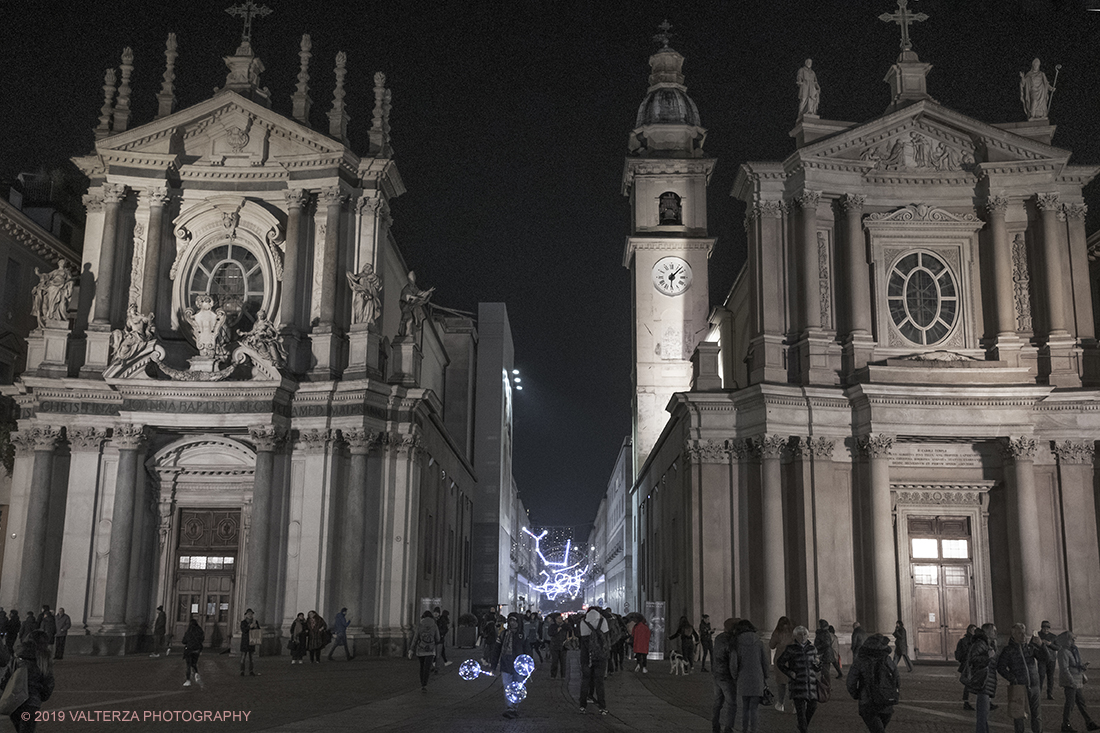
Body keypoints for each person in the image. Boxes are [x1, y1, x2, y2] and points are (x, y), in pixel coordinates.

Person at [1, 629, 54, 732]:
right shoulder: (43, 658)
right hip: (31, 702)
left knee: (19, 728)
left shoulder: (17, 656)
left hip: (14, 701)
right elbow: (48, 682)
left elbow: (5, 679)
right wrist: (41, 696)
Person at [847, 633, 900, 733]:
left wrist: (856, 694)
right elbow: (897, 679)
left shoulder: (860, 660)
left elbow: (851, 681)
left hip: (867, 702)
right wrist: (894, 692)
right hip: (886, 701)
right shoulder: (887, 659)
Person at [996, 622, 1043, 733]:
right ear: (1014, 635)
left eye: (1024, 633)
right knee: (1019, 715)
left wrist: (1041, 645)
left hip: (1034, 685)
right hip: (1019, 686)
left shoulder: (1030, 648)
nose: (1023, 636)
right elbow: (1001, 667)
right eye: (1020, 633)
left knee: (1037, 715)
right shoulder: (1008, 650)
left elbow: (1045, 658)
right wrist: (1013, 678)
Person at [777, 625, 821, 733]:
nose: (803, 636)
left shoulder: (812, 648)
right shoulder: (791, 649)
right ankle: (803, 730)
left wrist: (818, 664)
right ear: (795, 636)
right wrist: (789, 672)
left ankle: (803, 726)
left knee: (813, 706)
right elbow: (780, 662)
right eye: (800, 634)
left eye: (805, 634)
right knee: (800, 711)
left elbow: (816, 667)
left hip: (811, 683)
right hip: (797, 683)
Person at [490, 612, 532, 719]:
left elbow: (528, 651)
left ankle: (514, 707)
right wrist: (493, 666)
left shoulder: (522, 635)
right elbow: (496, 650)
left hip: (519, 667)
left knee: (518, 686)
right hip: (506, 664)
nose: (512, 623)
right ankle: (510, 708)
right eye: (510, 621)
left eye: (514, 621)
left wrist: (529, 665)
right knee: (507, 687)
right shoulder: (503, 634)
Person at [1056, 629, 1100, 732]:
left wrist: (1083, 667)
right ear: (1066, 640)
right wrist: (1072, 681)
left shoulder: (1073, 650)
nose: (1074, 641)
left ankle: (1089, 722)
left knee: (1081, 702)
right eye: (1072, 639)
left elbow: (1075, 665)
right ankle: (1065, 725)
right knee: (1070, 704)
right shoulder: (1063, 652)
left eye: (1074, 639)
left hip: (1077, 680)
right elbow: (1064, 669)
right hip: (1070, 682)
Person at [732, 619, 770, 733]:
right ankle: (753, 730)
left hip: (743, 677)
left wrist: (734, 676)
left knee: (745, 707)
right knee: (754, 708)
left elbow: (734, 663)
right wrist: (766, 676)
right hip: (757, 677)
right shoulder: (759, 642)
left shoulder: (736, 642)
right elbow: (765, 661)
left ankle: (744, 729)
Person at [967, 623, 999, 733]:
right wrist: (987, 657)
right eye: (993, 630)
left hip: (988, 682)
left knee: (984, 715)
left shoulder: (990, 644)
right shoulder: (981, 644)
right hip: (983, 682)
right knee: (982, 715)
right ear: (987, 632)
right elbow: (972, 659)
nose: (995, 632)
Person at [578, 605, 610, 714]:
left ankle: (582, 706)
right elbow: (606, 637)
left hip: (586, 655)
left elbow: (581, 637)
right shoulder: (603, 621)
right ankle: (602, 707)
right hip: (600, 656)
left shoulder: (583, 622)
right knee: (599, 682)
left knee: (585, 680)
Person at [712, 617, 739, 733]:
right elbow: (733, 661)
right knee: (732, 703)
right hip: (726, 676)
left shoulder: (719, 638)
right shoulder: (732, 641)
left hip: (716, 673)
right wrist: (735, 676)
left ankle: (715, 724)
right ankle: (728, 727)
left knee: (718, 702)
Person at [397, 270, 434, 338]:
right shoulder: (406, 288)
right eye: (411, 279)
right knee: (409, 319)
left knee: (413, 321)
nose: (412, 281)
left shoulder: (414, 288)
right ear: (409, 279)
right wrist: (415, 298)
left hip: (412, 308)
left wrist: (428, 293)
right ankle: (407, 333)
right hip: (406, 307)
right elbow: (407, 297)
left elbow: (420, 294)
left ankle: (409, 333)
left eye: (413, 279)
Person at [771, 616, 796, 712]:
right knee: (793, 682)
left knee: (781, 683)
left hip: (780, 659)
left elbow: (771, 645)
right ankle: (795, 704)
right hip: (792, 658)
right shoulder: (792, 634)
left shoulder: (777, 633)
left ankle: (781, 703)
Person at [414, 610, 440, 692]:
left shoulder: (420, 625)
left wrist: (411, 649)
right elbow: (438, 638)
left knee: (422, 666)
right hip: (430, 649)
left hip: (420, 649)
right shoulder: (434, 625)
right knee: (427, 667)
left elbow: (415, 638)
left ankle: (422, 683)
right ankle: (425, 684)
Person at [957, 624, 977, 710]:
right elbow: (959, 654)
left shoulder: (976, 641)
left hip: (974, 664)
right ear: (969, 630)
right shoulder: (964, 641)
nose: (974, 632)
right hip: (968, 665)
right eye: (973, 630)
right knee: (968, 684)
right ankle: (966, 701)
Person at [1039, 621, 1059, 701]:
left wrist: (1050, 644)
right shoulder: (1037, 635)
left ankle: (1049, 693)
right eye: (1044, 628)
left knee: (1050, 677)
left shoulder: (1053, 636)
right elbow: (1032, 645)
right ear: (1042, 628)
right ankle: (1038, 693)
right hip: (1042, 659)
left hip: (1051, 659)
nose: (1046, 629)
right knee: (1041, 676)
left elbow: (1058, 647)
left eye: (1047, 628)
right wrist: (1040, 643)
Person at [815, 620, 837, 689]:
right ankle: (825, 685)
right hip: (823, 653)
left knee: (825, 671)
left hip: (825, 654)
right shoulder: (822, 633)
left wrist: (818, 647)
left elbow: (827, 643)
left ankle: (827, 686)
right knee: (823, 671)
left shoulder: (825, 633)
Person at [181, 618, 203, 686]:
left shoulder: (189, 632)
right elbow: (202, 639)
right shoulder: (200, 631)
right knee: (194, 663)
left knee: (188, 665)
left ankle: (188, 680)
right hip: (197, 649)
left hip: (189, 649)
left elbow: (184, 641)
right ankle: (196, 672)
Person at [547, 613, 569, 678]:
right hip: (554, 646)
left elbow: (570, 629)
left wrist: (566, 624)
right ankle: (553, 675)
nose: (560, 620)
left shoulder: (565, 625)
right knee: (554, 662)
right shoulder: (552, 626)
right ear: (556, 619)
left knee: (563, 662)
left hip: (563, 646)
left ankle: (563, 675)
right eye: (559, 618)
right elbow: (550, 633)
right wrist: (557, 630)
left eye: (561, 618)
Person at [239, 608, 259, 676]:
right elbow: (243, 630)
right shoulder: (243, 622)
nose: (250, 615)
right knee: (243, 657)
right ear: (246, 615)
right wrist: (249, 627)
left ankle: (251, 671)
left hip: (252, 641)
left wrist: (256, 627)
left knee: (252, 658)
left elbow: (258, 631)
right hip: (245, 642)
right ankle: (242, 671)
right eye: (249, 614)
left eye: (251, 614)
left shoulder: (255, 621)